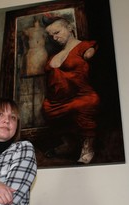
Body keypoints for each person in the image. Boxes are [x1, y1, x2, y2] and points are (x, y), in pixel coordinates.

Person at [41, 15, 100, 164]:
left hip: (81, 96)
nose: (54, 38)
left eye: (57, 32)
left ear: (69, 28)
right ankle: (69, 144)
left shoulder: (85, 47)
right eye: (51, 35)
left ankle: (88, 147)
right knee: (47, 109)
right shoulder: (55, 54)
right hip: (56, 101)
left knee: (86, 104)